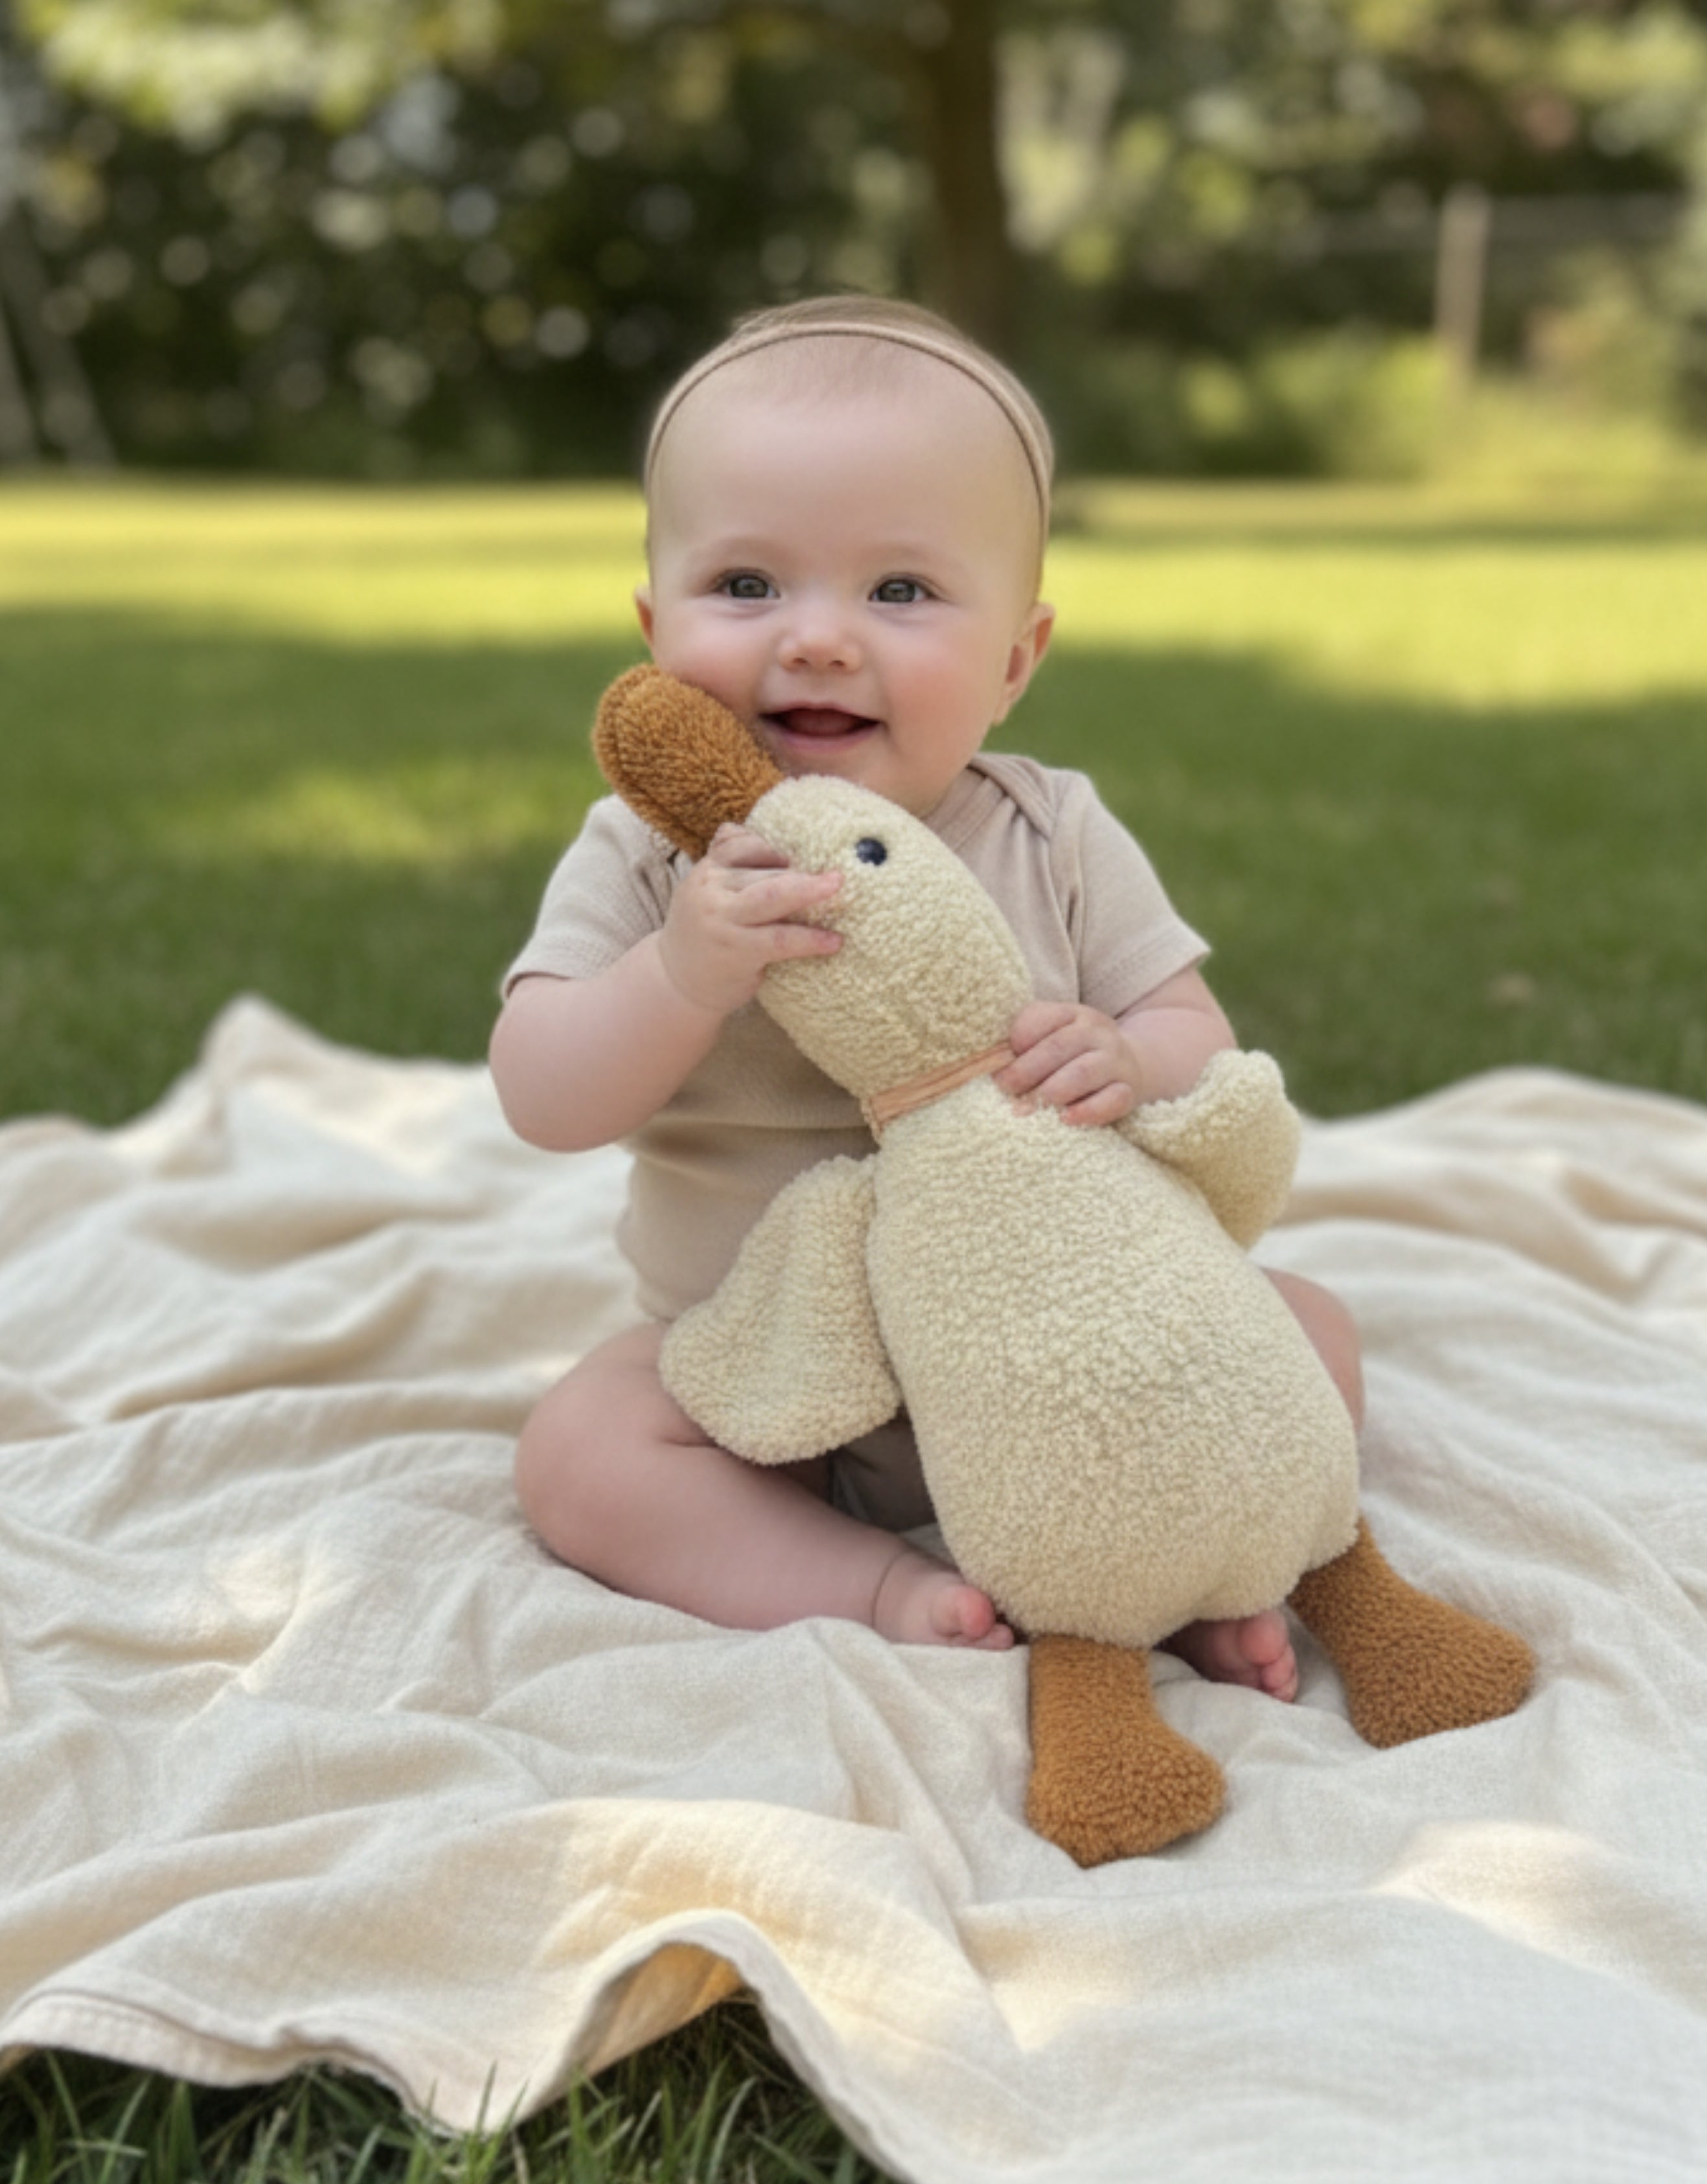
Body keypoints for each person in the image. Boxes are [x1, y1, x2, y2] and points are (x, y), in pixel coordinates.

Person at [490, 296, 1364, 1699]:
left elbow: (1192, 1032)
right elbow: (541, 1091)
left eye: (898, 592)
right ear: (654, 631)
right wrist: (679, 974)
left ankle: (1196, 1566)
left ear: (1017, 658)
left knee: (1302, 1325)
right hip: (762, 1374)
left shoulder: (1054, 832)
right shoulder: (650, 855)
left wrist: (1128, 1058)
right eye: (748, 586)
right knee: (579, 1449)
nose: (820, 640)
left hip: (1056, 1348)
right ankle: (878, 1582)